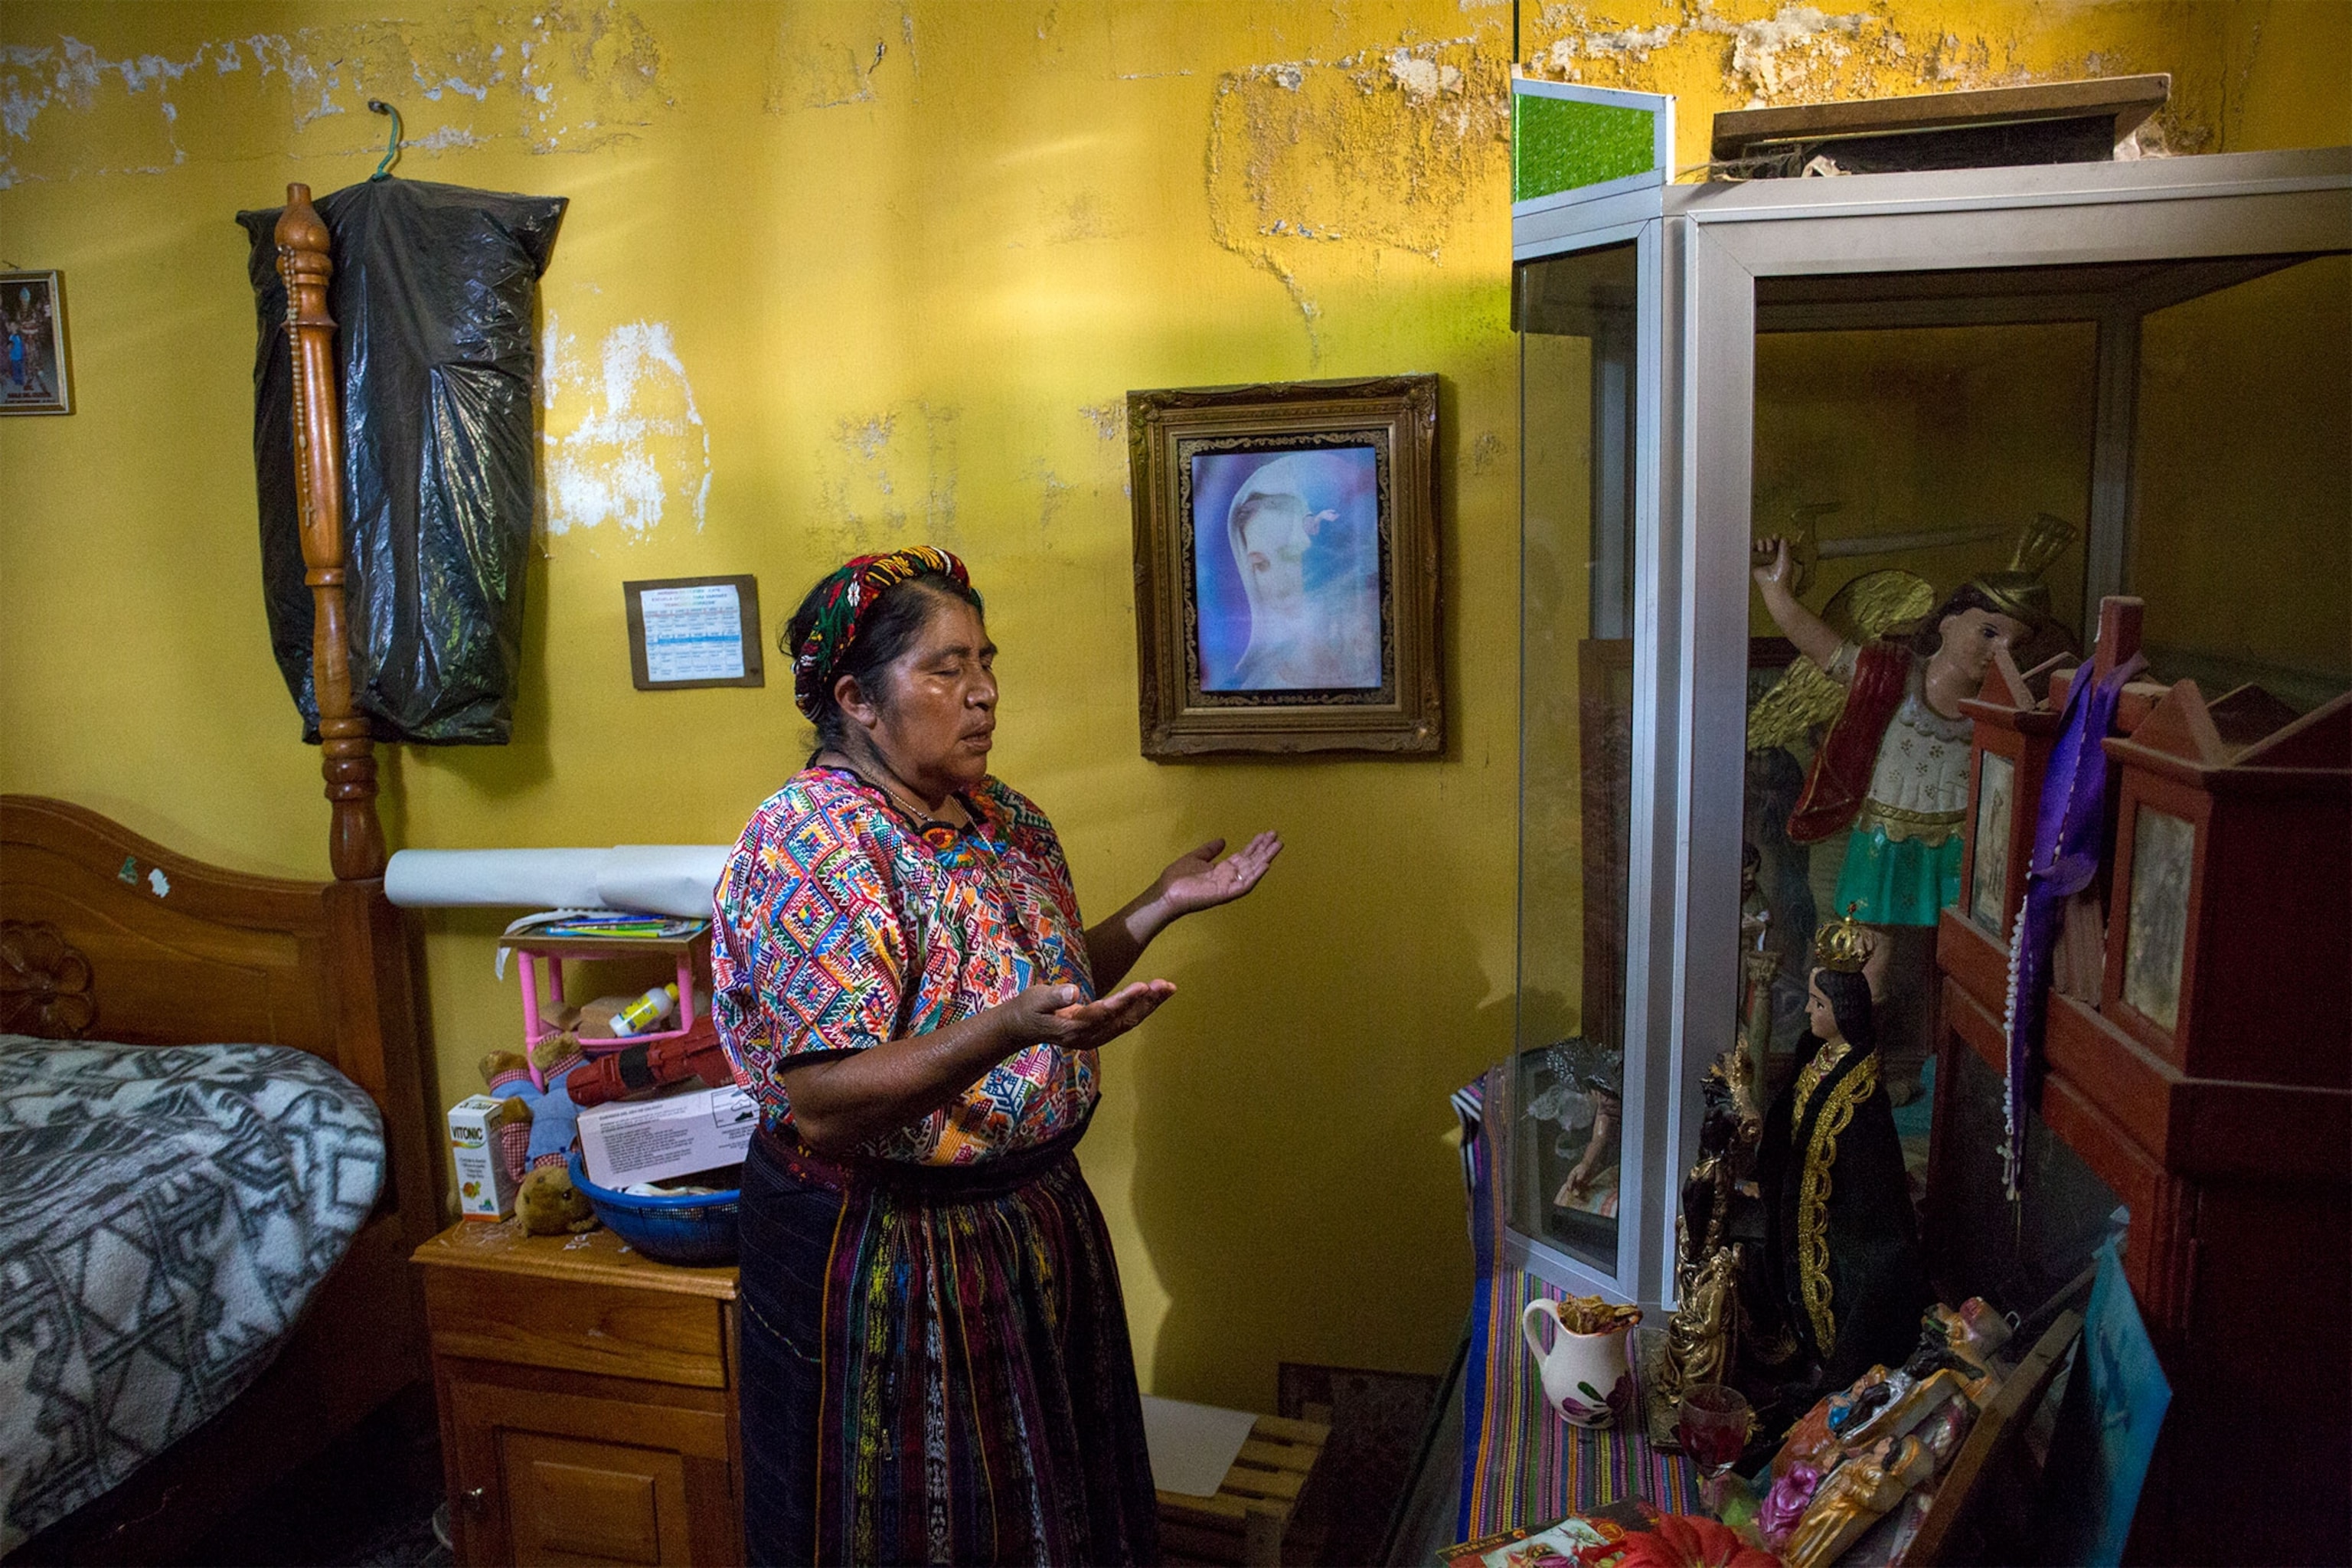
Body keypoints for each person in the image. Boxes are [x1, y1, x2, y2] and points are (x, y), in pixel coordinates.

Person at [714, 545, 1282, 1566]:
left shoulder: (1001, 819)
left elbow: (1044, 980)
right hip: (889, 1251)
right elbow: (826, 1104)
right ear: (857, 699)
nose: (984, 694)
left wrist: (1156, 906)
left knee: (1052, 1516)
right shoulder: (812, 843)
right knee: (920, 1530)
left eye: (986, 661)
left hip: (1028, 1228)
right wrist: (1011, 1031)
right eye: (945, 668)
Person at [1750, 531, 2060, 1098]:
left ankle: (1953, 1076)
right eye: (1987, 632)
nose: (1998, 651)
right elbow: (1823, 649)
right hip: (1883, 840)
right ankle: (1845, 1069)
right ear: (1947, 623)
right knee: (1864, 955)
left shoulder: (2005, 709)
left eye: (2014, 642)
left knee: (1963, 960)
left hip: (1963, 849)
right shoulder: (1893, 676)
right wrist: (1777, 591)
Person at [1752, 911, 1930, 1404]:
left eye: (1817, 1003)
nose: (1808, 1013)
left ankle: (1828, 1357)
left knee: (1846, 1292)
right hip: (1810, 1203)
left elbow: (1870, 1182)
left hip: (1849, 1221)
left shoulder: (1862, 1096)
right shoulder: (1822, 1055)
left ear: (1845, 1010)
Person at [1223, 454, 1380, 690]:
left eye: (1292, 555)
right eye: (1261, 565)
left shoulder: (1388, 671)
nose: (1279, 586)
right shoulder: (1252, 686)